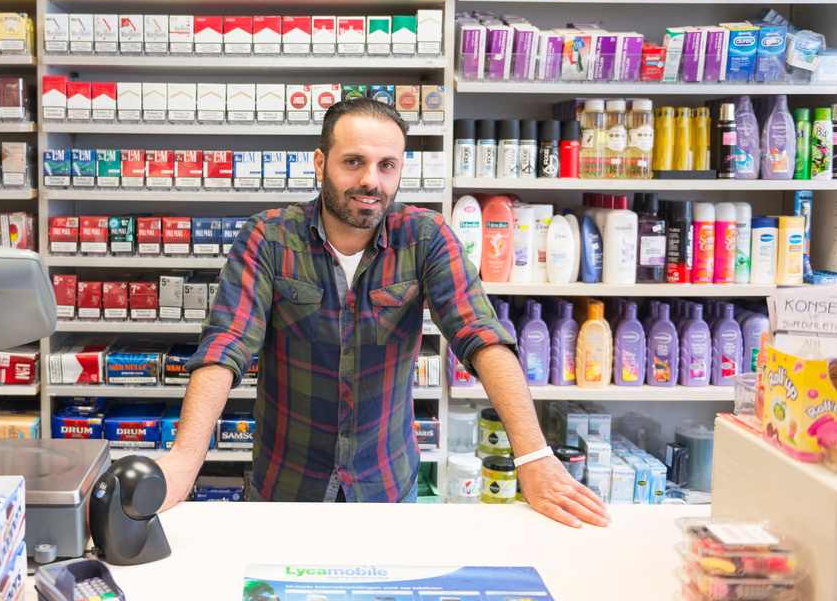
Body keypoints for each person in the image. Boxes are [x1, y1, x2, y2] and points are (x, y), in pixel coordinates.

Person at [157, 98, 611, 528]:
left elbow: (480, 335)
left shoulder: (425, 238)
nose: (371, 180)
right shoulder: (269, 238)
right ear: (321, 164)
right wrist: (184, 459)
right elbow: (226, 343)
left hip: (387, 486)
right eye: (353, 162)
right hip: (285, 485)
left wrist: (533, 456)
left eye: (386, 165)